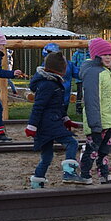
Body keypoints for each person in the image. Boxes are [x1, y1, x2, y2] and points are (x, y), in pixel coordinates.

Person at [25, 51, 84, 188]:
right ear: (60, 69)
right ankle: (69, 172)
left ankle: (37, 182)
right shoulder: (48, 85)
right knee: (72, 143)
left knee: (47, 156)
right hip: (49, 123)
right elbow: (38, 106)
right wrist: (31, 126)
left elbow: (57, 106)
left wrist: (66, 119)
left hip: (48, 123)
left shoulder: (53, 83)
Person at [78, 38, 111, 184]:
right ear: (96, 56)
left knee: (104, 149)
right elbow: (92, 100)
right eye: (104, 55)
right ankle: (85, 174)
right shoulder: (93, 73)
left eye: (110, 55)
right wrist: (94, 123)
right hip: (98, 120)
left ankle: (103, 173)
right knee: (92, 148)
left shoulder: (107, 71)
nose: (108, 57)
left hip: (109, 119)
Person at [69, 47, 89, 115]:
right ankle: (78, 108)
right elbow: (73, 64)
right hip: (79, 76)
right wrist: (77, 72)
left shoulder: (89, 53)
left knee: (89, 92)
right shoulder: (77, 54)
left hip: (88, 76)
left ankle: (89, 108)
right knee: (79, 93)